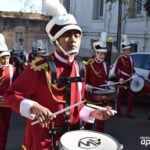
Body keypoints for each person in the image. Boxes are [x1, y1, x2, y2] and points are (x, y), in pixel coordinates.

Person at [1, 1, 114, 150]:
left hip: (72, 139)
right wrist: (33, 106)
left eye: (77, 35)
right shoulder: (39, 67)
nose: (73, 40)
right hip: (42, 141)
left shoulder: (80, 66)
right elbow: (10, 95)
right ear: (56, 40)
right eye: (67, 35)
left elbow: (77, 107)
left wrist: (94, 112)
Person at [84, 32, 110, 132]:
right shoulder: (88, 64)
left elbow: (105, 79)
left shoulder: (105, 65)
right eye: (101, 54)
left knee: (102, 119)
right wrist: (86, 86)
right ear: (96, 53)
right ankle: (86, 136)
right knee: (89, 120)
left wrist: (108, 83)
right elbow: (83, 81)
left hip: (103, 97)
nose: (103, 56)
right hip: (91, 98)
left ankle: (100, 136)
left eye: (104, 54)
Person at [0, 33, 16, 150]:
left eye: (7, 57)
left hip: (7, 106)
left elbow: (17, 86)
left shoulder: (12, 69)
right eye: (2, 57)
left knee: (4, 129)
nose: (5, 60)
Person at [114, 34, 135, 118]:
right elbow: (116, 71)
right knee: (119, 97)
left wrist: (134, 74)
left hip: (130, 80)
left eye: (129, 50)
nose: (129, 51)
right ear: (124, 50)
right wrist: (120, 78)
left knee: (132, 97)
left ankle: (128, 113)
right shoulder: (120, 58)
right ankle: (118, 112)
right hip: (122, 81)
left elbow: (132, 69)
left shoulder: (131, 58)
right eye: (127, 50)